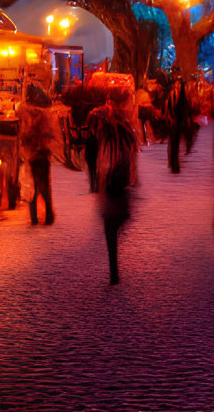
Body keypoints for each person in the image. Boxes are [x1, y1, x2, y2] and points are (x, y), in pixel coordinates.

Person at [89, 85, 140, 283]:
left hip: (118, 178)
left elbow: (132, 148)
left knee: (115, 221)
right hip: (111, 177)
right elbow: (92, 122)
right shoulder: (105, 120)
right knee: (111, 223)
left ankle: (114, 270)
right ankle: (113, 271)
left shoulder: (125, 124)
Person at [17, 82, 63, 225]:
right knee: (40, 185)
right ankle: (44, 216)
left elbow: (25, 134)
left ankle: (38, 217)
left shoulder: (32, 114)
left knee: (36, 186)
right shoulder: (43, 115)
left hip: (36, 154)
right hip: (40, 154)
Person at [165, 74, 197, 174]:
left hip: (177, 122)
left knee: (175, 143)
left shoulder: (180, 95)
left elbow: (185, 108)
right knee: (174, 143)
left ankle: (174, 164)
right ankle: (174, 164)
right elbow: (168, 107)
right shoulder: (173, 95)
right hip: (174, 121)